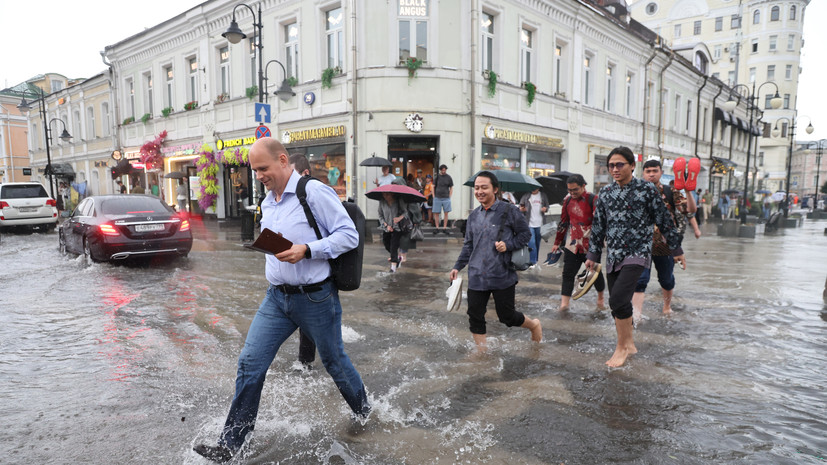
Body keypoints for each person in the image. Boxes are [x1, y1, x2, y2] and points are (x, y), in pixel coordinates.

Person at [193, 138, 369, 463]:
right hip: (276, 299)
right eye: (254, 169)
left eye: (263, 168)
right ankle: (230, 445)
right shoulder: (269, 198)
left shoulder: (313, 192)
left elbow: (349, 235)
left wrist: (307, 249)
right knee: (249, 364)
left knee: (334, 362)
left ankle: (364, 410)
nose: (258, 175)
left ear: (283, 160)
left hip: (315, 298)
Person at [585, 147, 685, 368]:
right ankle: (629, 343)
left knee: (618, 299)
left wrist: (676, 249)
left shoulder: (647, 190)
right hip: (614, 255)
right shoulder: (606, 193)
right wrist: (592, 254)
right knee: (618, 305)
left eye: (619, 164)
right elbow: (598, 226)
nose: (615, 169)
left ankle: (621, 348)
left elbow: (664, 220)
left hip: (638, 253)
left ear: (632, 165)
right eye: (611, 165)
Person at [448, 171, 543, 353]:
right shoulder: (473, 216)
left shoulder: (509, 211)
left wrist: (508, 245)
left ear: (495, 189)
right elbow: (468, 245)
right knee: (475, 315)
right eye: (476, 188)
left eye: (484, 187)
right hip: (477, 274)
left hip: (502, 273)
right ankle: (482, 353)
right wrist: (457, 267)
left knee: (507, 317)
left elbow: (525, 234)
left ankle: (533, 325)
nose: (479, 191)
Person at [631, 159, 697, 325]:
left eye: (655, 170)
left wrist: (688, 192)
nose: (651, 174)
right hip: (641, 244)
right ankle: (636, 315)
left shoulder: (670, 191)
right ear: (643, 173)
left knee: (666, 279)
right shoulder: (635, 192)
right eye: (648, 171)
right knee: (640, 280)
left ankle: (667, 306)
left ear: (660, 172)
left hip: (665, 245)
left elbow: (690, 210)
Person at [552, 174, 606, 311]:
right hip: (573, 243)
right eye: (569, 190)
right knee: (568, 273)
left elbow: (600, 223)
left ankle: (601, 297)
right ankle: (564, 304)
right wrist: (557, 242)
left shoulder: (593, 199)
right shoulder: (568, 201)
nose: (572, 193)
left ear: (583, 186)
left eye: (575, 190)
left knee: (594, 272)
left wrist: (598, 244)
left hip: (591, 245)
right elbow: (563, 222)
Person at [378, 190, 412, 272]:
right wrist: (386, 225)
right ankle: (397, 257)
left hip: (397, 228)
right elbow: (380, 215)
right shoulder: (382, 202)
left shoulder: (398, 202)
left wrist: (399, 218)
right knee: (386, 244)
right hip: (387, 228)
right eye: (384, 195)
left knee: (394, 246)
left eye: (387, 195)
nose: (385, 196)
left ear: (392, 194)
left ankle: (393, 268)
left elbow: (405, 212)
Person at [519, 187, 549, 267]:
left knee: (537, 243)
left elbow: (547, 207)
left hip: (540, 223)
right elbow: (521, 207)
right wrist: (522, 209)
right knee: (531, 242)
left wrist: (545, 209)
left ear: (538, 188)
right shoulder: (526, 196)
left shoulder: (543, 195)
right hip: (529, 223)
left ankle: (535, 260)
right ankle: (532, 262)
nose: (533, 189)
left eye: (535, 188)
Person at [432, 164, 453, 234]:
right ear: (440, 170)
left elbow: (451, 187)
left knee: (446, 213)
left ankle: (444, 228)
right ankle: (437, 227)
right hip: (437, 197)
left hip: (446, 198)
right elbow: (433, 186)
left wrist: (450, 196)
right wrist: (433, 196)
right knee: (436, 213)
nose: (444, 171)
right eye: (442, 170)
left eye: (445, 170)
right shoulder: (437, 177)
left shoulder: (449, 177)